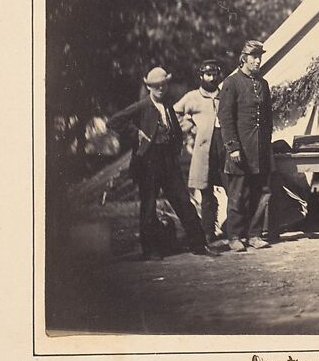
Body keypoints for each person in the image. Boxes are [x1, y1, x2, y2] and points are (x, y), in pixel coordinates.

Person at [108, 66, 214, 260]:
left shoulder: (167, 105)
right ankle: (151, 250)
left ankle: (199, 244)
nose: (160, 89)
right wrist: (136, 133)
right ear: (149, 87)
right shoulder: (141, 106)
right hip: (148, 161)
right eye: (156, 86)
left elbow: (175, 130)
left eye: (163, 85)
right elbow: (114, 121)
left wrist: (176, 147)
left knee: (183, 200)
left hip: (168, 161)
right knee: (148, 206)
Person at [217, 39, 275, 253]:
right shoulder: (231, 83)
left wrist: (266, 144)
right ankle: (234, 235)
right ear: (244, 59)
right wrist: (232, 146)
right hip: (240, 149)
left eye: (260, 57)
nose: (258, 61)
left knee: (262, 192)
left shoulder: (263, 84)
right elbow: (225, 117)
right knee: (238, 194)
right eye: (254, 57)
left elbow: (268, 118)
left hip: (260, 150)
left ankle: (254, 234)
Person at [174, 58, 227, 242]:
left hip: (224, 151)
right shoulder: (192, 97)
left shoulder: (225, 95)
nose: (212, 78)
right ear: (201, 76)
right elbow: (175, 113)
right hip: (204, 152)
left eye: (215, 74)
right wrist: (190, 127)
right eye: (208, 74)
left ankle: (235, 230)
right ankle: (208, 232)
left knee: (233, 189)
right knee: (206, 193)